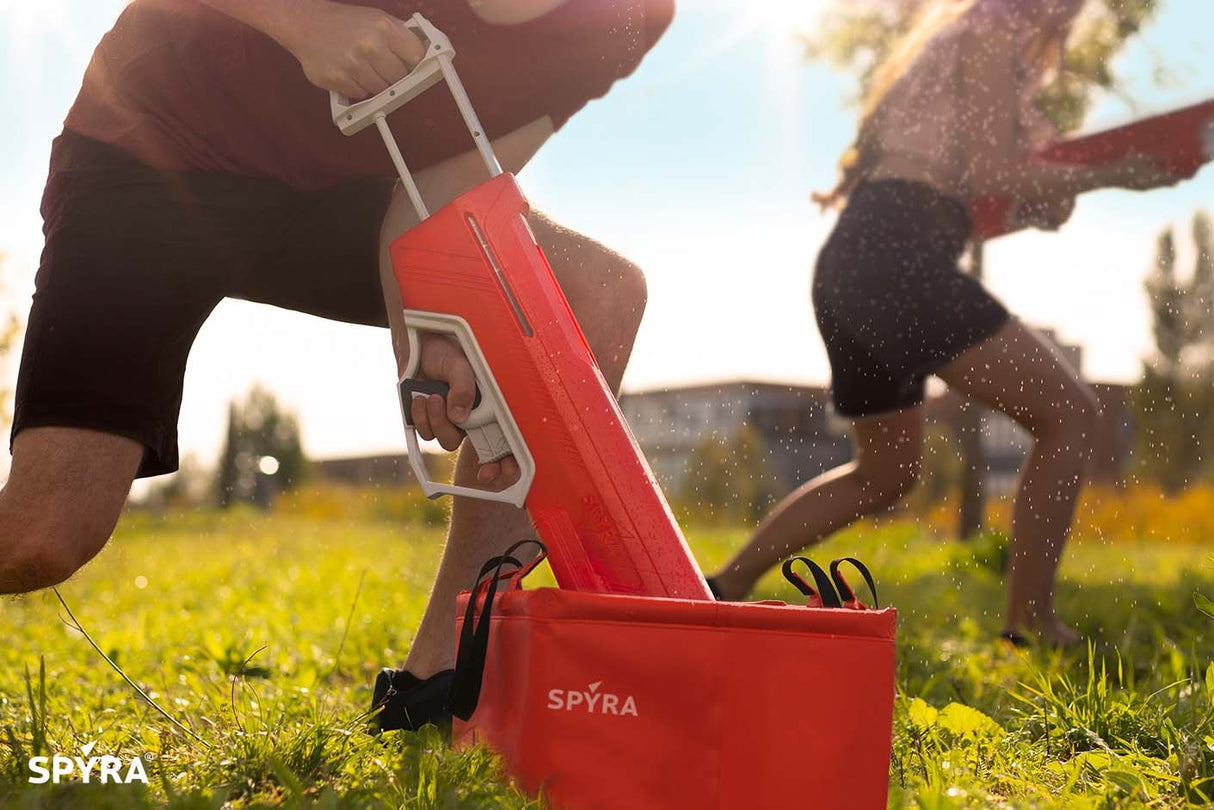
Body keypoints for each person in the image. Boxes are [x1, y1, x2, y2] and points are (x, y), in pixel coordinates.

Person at [0, 0, 672, 729]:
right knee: (42, 538)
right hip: (157, 143)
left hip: (333, 199)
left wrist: (432, 327)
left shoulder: (628, 19)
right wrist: (306, 23)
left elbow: (447, 183)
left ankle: (438, 681)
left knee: (597, 292)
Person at [707, 0, 1182, 646]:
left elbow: (956, 183)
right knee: (1070, 416)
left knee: (885, 472)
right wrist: (1114, 174)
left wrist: (1044, 197)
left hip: (853, 263)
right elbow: (987, 172)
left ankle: (723, 585)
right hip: (900, 257)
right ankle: (1030, 624)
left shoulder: (953, 48)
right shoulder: (992, 34)